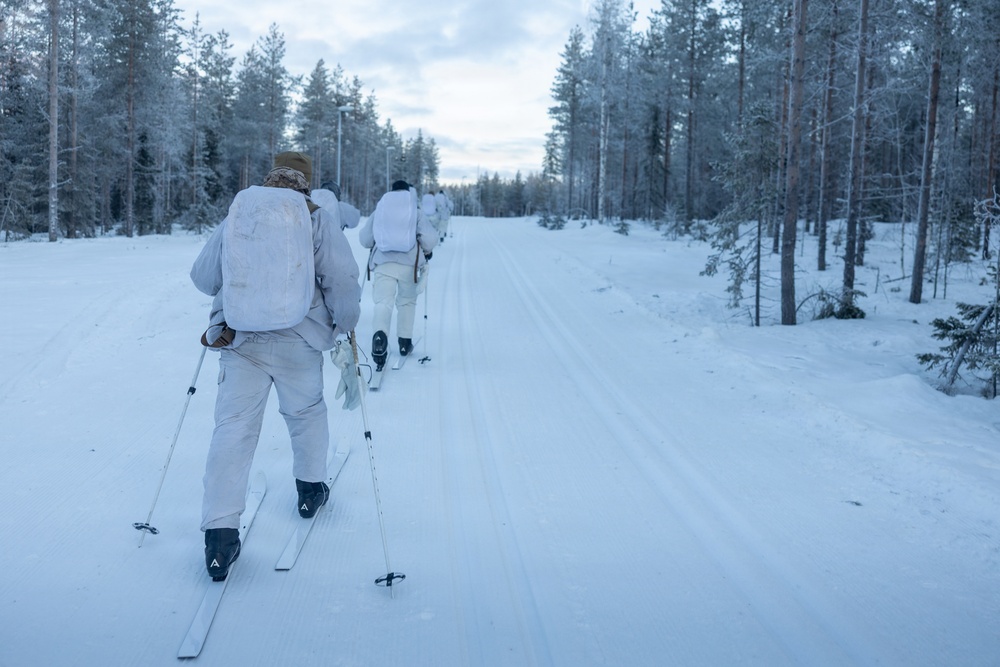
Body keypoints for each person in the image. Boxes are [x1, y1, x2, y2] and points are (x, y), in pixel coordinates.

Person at [190, 151, 361, 580]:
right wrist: (346, 324)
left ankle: (220, 537)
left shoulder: (241, 212)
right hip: (298, 340)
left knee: (233, 429)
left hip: (240, 338)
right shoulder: (315, 216)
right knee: (305, 415)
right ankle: (309, 491)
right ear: (306, 181)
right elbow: (340, 279)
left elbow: (203, 276)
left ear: (269, 176)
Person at [360, 180, 437, 369]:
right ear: (408, 192)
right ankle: (404, 342)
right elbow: (430, 239)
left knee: (383, 303)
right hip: (408, 266)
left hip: (383, 264)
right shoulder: (415, 211)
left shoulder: (380, 210)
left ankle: (379, 337)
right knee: (406, 302)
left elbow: (365, 239)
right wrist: (427, 251)